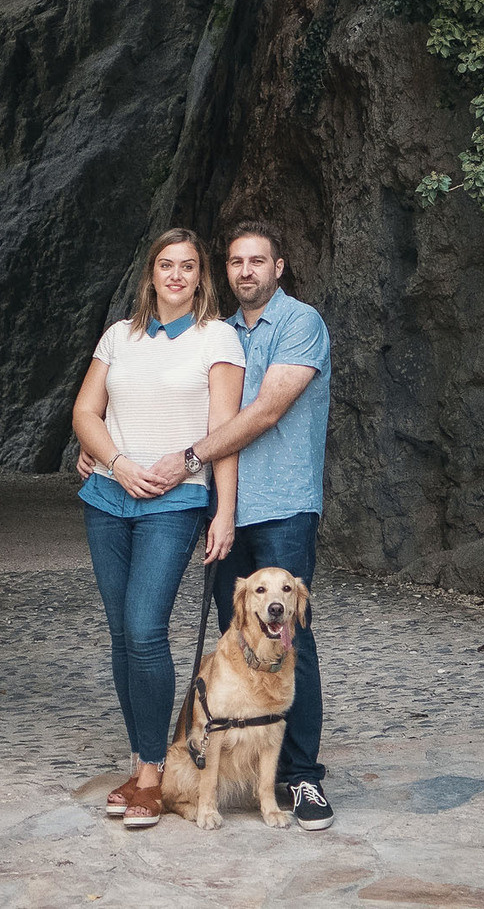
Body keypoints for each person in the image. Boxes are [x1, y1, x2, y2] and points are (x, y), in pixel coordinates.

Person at [135, 223, 333, 831]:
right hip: (225, 509)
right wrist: (103, 450)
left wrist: (190, 457)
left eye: (258, 261)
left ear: (280, 266)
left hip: (282, 506)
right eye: (236, 262)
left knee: (291, 637)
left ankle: (302, 777)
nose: (246, 271)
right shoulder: (218, 334)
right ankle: (231, 769)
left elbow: (265, 411)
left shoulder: (301, 323)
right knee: (237, 643)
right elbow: (169, 399)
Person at [70, 226, 243, 831]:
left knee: (145, 630)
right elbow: (85, 412)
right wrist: (116, 462)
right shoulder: (119, 335)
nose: (176, 275)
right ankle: (142, 760)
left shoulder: (217, 338)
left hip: (176, 502)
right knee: (122, 634)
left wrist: (224, 511)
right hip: (107, 497)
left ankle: (153, 777)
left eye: (187, 266)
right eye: (166, 264)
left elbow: (224, 432)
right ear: (151, 273)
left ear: (201, 277)